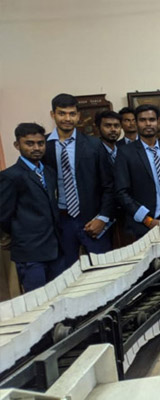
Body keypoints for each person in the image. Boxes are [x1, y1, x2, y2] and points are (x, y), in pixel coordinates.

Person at [43, 93, 114, 268]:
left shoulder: (94, 145)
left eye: (72, 114)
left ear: (78, 116)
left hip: (92, 219)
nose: (67, 118)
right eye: (62, 113)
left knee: (103, 271)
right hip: (61, 222)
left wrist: (103, 217)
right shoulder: (43, 146)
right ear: (53, 115)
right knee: (66, 276)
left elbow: (109, 185)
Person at [0, 123, 63, 291]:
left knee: (60, 297)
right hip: (30, 252)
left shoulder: (49, 172)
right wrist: (18, 235)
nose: (36, 148)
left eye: (40, 143)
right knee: (37, 302)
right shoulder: (10, 176)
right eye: (29, 143)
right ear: (17, 145)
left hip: (55, 248)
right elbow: (3, 215)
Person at [115, 104, 160, 239]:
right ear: (137, 123)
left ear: (158, 122)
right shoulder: (126, 153)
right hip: (144, 223)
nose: (148, 123)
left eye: (152, 119)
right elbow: (122, 192)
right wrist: (146, 219)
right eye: (143, 120)